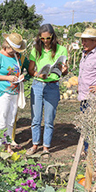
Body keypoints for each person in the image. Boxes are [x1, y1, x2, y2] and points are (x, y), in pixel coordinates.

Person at [27, 24, 68, 156]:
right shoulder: (35, 50)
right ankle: (35, 145)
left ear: (53, 37)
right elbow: (31, 70)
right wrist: (38, 74)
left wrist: (65, 71)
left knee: (49, 119)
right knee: (36, 118)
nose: (45, 41)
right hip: (38, 85)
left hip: (53, 86)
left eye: (48, 38)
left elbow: (63, 71)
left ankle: (46, 147)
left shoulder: (61, 49)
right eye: (42, 38)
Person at [0, 33, 26, 154]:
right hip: (2, 92)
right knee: (1, 120)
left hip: (14, 92)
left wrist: (21, 76)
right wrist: (7, 78)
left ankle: (8, 146)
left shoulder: (16, 56)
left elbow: (16, 71)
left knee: (11, 120)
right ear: (7, 46)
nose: (15, 51)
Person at [75, 27, 96, 153]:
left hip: (95, 98)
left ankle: (93, 153)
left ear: (95, 41)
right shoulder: (85, 53)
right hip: (84, 96)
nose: (83, 43)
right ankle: (88, 152)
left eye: (86, 41)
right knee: (87, 125)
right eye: (82, 40)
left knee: (94, 126)